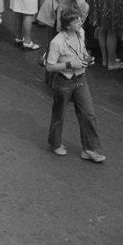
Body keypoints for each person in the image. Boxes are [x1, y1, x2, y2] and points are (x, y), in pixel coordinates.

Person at [44, 8, 105, 161]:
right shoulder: (57, 42)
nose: (80, 22)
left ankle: (90, 149)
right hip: (64, 82)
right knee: (59, 115)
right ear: (68, 25)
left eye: (79, 19)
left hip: (81, 79)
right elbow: (49, 66)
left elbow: (81, 49)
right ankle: (55, 143)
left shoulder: (81, 32)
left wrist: (86, 56)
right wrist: (71, 64)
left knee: (88, 114)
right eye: (76, 21)